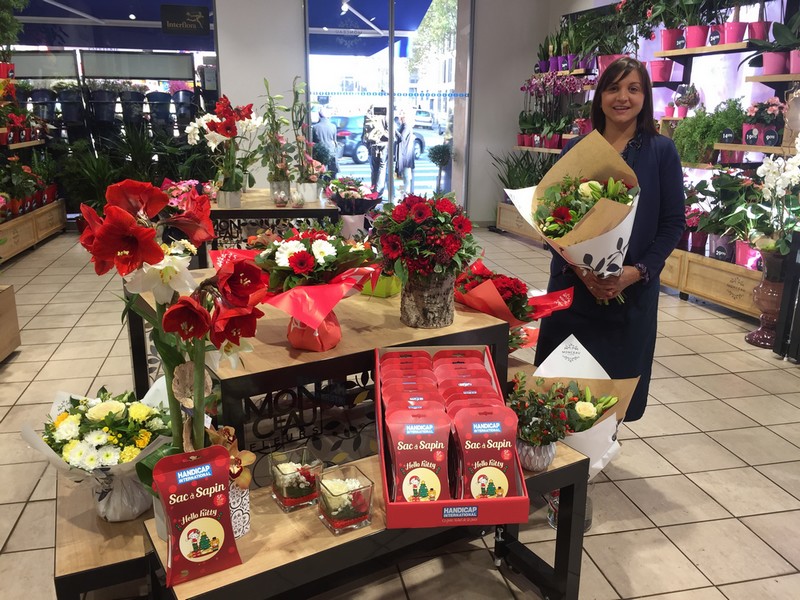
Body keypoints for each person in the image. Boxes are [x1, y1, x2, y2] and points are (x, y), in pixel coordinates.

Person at [534, 57, 685, 422]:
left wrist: (637, 271)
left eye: (633, 88)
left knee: (612, 393)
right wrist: (583, 270)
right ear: (599, 96)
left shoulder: (662, 152)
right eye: (613, 88)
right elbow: (551, 220)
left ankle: (596, 456)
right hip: (573, 291)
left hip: (630, 294)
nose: (623, 97)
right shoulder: (576, 149)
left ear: (645, 97)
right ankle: (558, 465)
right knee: (559, 386)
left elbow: (672, 223)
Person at [362, 105, 390, 197]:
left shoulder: (369, 115)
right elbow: (390, 131)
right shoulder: (385, 115)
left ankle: (373, 188)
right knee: (382, 166)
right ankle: (379, 191)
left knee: (374, 168)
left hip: (373, 145)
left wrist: (368, 144)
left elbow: (364, 134)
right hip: (383, 144)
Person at [312, 107, 339, 179]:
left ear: (319, 115)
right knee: (331, 176)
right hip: (331, 153)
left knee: (321, 174)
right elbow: (335, 141)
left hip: (320, 154)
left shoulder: (315, 127)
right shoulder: (333, 126)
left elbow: (313, 141)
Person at [394, 108, 415, 195]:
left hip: (405, 156)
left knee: (406, 177)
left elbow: (401, 138)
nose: (399, 119)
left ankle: (406, 195)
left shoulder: (406, 126)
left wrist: (394, 130)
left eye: (400, 117)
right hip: (404, 155)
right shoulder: (403, 126)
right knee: (404, 177)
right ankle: (404, 194)